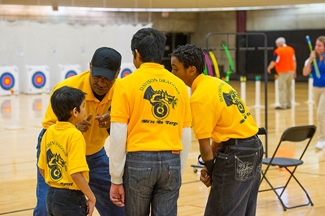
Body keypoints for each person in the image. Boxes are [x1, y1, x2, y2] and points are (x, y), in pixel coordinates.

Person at [171, 44, 263, 216]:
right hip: (254, 147)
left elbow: (204, 146)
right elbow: (220, 133)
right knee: (245, 211)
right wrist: (210, 167)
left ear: (191, 70)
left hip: (237, 152)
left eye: (176, 69)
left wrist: (211, 170)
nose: (172, 73)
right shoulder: (216, 83)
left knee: (220, 211)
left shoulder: (199, 98)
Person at [109, 28, 192, 215]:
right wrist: (179, 168)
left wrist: (116, 178)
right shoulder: (180, 86)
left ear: (137, 54)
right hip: (172, 160)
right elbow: (186, 132)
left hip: (139, 161)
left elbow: (118, 133)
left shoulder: (125, 84)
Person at [34, 47, 124, 216]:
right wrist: (73, 130)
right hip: (59, 153)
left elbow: (129, 129)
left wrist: (115, 124)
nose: (101, 83)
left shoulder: (123, 91)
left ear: (118, 72)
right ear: (90, 66)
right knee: (45, 208)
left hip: (95, 154)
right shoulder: (67, 89)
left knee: (118, 206)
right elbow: (49, 131)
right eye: (97, 77)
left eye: (107, 79)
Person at [38, 86, 96, 216]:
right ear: (75, 112)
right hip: (71, 199)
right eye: (83, 106)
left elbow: (42, 168)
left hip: (52, 196)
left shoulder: (49, 132)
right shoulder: (75, 135)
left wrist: (57, 184)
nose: (85, 110)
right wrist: (92, 198)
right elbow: (76, 174)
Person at [303, 36, 325, 150]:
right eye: (316, 45)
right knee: (322, 115)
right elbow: (305, 72)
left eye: (320, 45)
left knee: (320, 114)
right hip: (316, 89)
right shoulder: (314, 58)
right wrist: (311, 60)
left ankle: (322, 139)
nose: (317, 47)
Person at [267, 37, 296, 110]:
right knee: (289, 88)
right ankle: (289, 104)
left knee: (282, 88)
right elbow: (294, 61)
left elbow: (274, 61)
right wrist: (294, 71)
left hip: (282, 72)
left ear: (279, 44)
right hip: (291, 71)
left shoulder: (278, 51)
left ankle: (283, 105)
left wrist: (269, 67)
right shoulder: (291, 49)